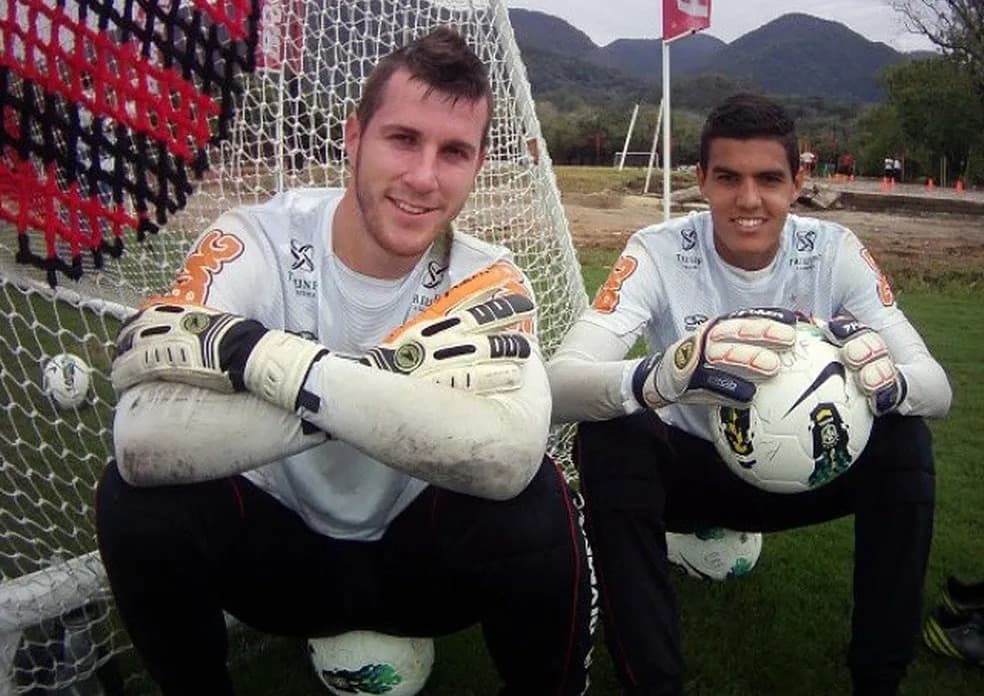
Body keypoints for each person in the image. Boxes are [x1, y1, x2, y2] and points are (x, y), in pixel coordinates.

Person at [97, 27, 594, 696]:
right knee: (136, 504)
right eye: (403, 139)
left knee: (539, 504)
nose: (423, 176)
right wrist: (392, 383)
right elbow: (141, 440)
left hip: (421, 569)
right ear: (354, 136)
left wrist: (264, 360)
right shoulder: (253, 243)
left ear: (477, 166)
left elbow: (508, 455)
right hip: (282, 566)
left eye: (453, 152)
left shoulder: (490, 280)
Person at [547, 92, 952, 695]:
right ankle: (652, 683)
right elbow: (558, 385)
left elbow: (937, 387)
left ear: (798, 183)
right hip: (688, 474)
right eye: (728, 178)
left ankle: (878, 679)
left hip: (811, 468)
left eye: (769, 179)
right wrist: (660, 374)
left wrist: (886, 385)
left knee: (906, 440)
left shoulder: (833, 251)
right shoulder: (658, 252)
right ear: (701, 181)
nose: (748, 200)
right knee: (611, 435)